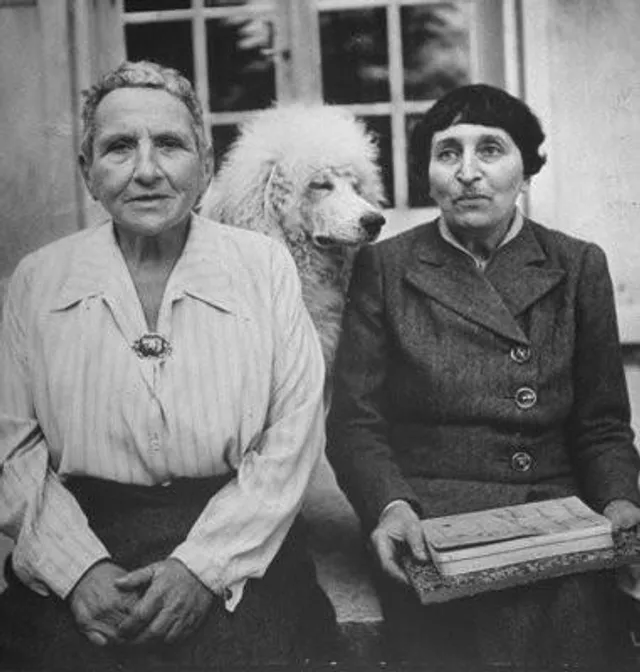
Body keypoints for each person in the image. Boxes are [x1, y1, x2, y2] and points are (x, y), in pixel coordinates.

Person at [0, 60, 339, 670]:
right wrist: (78, 571)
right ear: (87, 171)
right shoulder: (39, 280)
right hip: (85, 529)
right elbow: (11, 447)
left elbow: (292, 437)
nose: (147, 170)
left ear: (204, 164)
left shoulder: (263, 267)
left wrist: (201, 568)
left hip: (238, 536)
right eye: (119, 148)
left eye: (170, 145)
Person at [327, 83, 640, 671]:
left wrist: (621, 501)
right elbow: (354, 423)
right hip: (432, 522)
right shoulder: (386, 267)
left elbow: (601, 425)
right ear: (429, 176)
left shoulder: (578, 265)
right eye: (448, 153)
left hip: (556, 519)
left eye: (490, 150)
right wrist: (390, 506)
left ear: (527, 169)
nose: (467, 172)